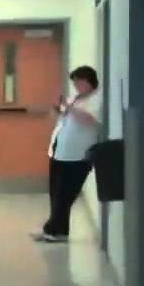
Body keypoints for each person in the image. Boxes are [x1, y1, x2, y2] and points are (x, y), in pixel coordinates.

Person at [33, 65, 102, 243]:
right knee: (56, 193)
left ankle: (53, 230)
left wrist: (68, 107)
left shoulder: (96, 99)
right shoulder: (75, 99)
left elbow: (87, 119)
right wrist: (57, 108)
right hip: (60, 152)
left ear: (88, 81)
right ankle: (56, 230)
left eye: (79, 82)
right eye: (74, 83)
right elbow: (62, 118)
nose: (76, 86)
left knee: (65, 195)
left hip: (78, 157)